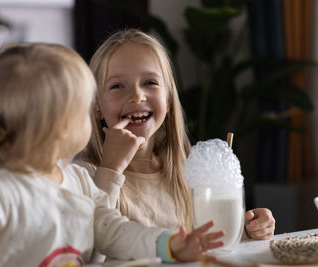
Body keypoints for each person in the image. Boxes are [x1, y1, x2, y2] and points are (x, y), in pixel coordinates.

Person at [0, 43, 225, 267]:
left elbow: (112, 230)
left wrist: (167, 244)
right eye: (83, 108)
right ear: (59, 124)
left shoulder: (78, 181)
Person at [75, 29, 275, 241]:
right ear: (97, 105)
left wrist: (248, 230)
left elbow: (212, 244)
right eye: (117, 85)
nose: (137, 96)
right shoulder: (83, 175)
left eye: (150, 82)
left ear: (168, 99)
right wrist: (111, 169)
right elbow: (83, 245)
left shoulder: (185, 172)